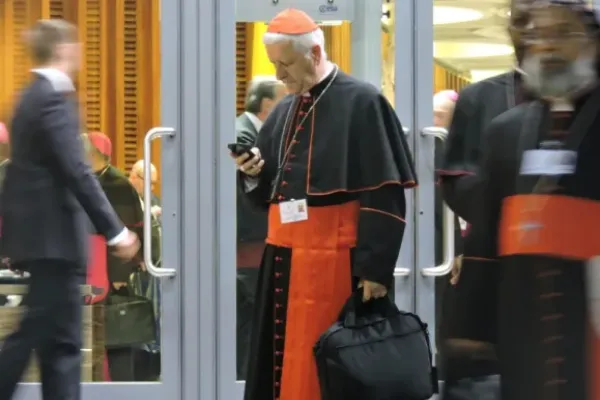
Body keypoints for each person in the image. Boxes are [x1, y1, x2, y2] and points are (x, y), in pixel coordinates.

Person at [232, 8, 416, 400]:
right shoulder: (284, 109)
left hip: (336, 261)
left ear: (315, 54)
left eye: (285, 64)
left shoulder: (363, 101)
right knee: (279, 366)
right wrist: (251, 173)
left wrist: (375, 270)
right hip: (282, 259)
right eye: (273, 64)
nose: (278, 75)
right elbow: (267, 194)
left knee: (328, 371)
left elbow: (384, 192)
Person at [0, 19, 139, 400]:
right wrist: (116, 231)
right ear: (63, 49)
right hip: (55, 246)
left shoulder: (29, 97)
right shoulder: (51, 99)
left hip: (45, 246)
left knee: (58, 348)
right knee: (44, 340)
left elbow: (21, 178)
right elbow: (78, 171)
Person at [470, 1, 600, 398]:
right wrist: (469, 339)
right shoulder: (505, 131)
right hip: (526, 330)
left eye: (562, 32)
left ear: (593, 42)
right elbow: (483, 241)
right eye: (538, 34)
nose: (547, 46)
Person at [437, 1, 532, 398]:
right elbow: (456, 179)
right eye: (524, 22)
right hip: (495, 260)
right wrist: (510, 209)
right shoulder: (478, 98)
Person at [235, 76, 286, 380]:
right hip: (249, 247)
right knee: (253, 324)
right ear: (268, 104)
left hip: (252, 246)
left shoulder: (252, 131)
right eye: (284, 99)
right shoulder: (243, 136)